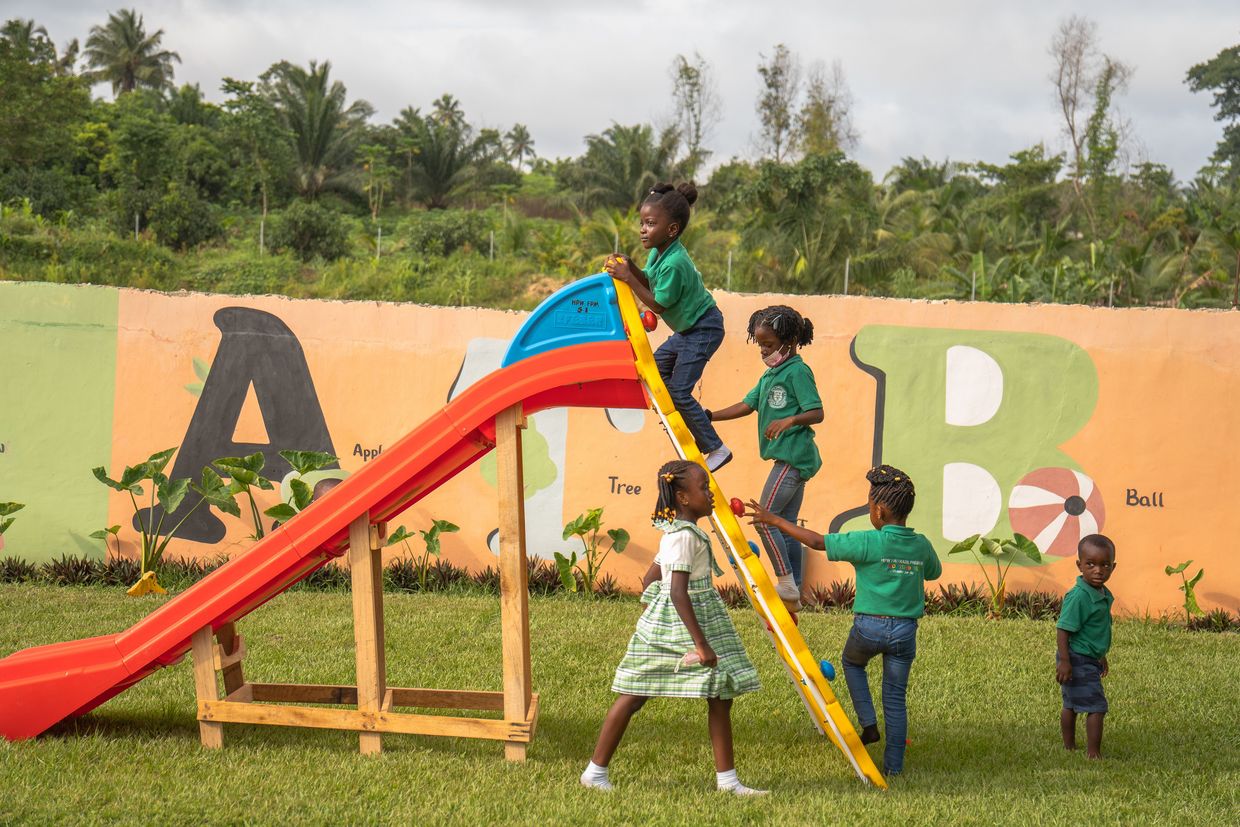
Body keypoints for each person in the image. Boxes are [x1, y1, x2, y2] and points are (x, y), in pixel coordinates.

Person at [581, 460, 764, 795]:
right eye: (703, 488)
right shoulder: (682, 538)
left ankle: (728, 782)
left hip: (689, 618)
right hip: (687, 623)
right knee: (634, 694)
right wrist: (700, 645)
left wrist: (655, 611)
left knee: (720, 694)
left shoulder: (678, 533)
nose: (710, 495)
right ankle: (595, 772)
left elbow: (652, 577)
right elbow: (678, 591)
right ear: (682, 497)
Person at [746, 465, 940, 776]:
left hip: (869, 627)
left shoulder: (867, 541)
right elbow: (933, 572)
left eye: (869, 504)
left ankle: (868, 724)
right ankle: (894, 768)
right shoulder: (921, 545)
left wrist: (775, 520)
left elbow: (818, 542)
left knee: (852, 663)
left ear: (879, 510)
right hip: (905, 632)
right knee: (895, 697)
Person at [604, 183, 731, 471]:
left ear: (671, 229)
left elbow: (658, 305)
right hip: (687, 331)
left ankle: (717, 448)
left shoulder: (675, 262)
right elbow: (649, 279)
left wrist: (628, 277)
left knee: (679, 390)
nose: (643, 230)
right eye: (642, 223)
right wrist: (631, 265)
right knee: (655, 368)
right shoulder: (660, 253)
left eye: (650, 223)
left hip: (703, 328)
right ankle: (682, 421)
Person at [706, 305, 822, 612]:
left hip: (793, 458)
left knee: (763, 518)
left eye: (768, 345)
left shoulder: (798, 371)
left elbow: (817, 412)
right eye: (760, 345)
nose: (763, 351)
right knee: (784, 524)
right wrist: (710, 417)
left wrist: (789, 421)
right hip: (785, 460)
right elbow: (747, 405)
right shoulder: (771, 374)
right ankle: (794, 589)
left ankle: (786, 585)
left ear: (791, 340)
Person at [1056, 533, 1116, 760]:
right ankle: (1093, 753)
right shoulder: (1079, 596)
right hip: (1075, 657)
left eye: (1104, 565)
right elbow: (1063, 629)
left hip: (1088, 656)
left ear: (1113, 567)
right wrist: (1064, 660)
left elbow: (1094, 631)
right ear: (1079, 565)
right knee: (1096, 706)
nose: (1098, 570)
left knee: (1071, 702)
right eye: (1090, 564)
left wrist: (1100, 655)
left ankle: (1069, 746)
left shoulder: (1101, 593)